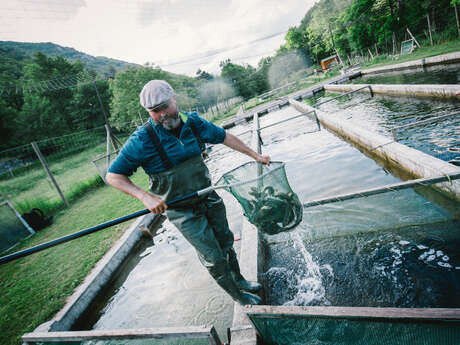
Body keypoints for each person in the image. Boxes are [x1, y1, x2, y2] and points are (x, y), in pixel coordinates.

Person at [106, 80, 270, 305]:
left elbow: (223, 136)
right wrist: (144, 196)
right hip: (182, 211)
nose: (163, 114)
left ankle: (239, 280)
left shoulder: (192, 122)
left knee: (226, 242)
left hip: (208, 196)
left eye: (166, 106)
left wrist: (255, 155)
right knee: (213, 257)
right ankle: (239, 297)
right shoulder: (142, 140)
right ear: (147, 111)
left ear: (174, 99)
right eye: (156, 111)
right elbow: (113, 176)